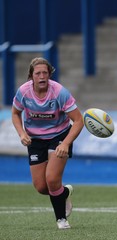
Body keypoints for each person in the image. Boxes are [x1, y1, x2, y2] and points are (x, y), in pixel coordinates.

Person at [11, 57, 84, 229]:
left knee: (52, 179)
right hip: (35, 139)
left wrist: (65, 144)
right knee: (41, 187)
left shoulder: (59, 92)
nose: (42, 76)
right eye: (38, 73)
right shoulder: (23, 92)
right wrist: (21, 133)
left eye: (45, 73)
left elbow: (79, 120)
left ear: (49, 74)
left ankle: (61, 220)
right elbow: (15, 113)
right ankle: (64, 192)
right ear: (31, 76)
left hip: (58, 136)